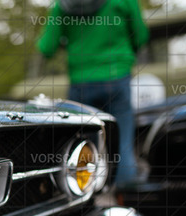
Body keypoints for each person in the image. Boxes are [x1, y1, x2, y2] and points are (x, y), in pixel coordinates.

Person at [37, 0, 149, 186]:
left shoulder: (62, 5)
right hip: (117, 77)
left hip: (81, 82)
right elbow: (141, 36)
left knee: (81, 146)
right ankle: (125, 195)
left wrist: (69, 41)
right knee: (122, 144)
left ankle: (84, 194)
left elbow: (47, 47)